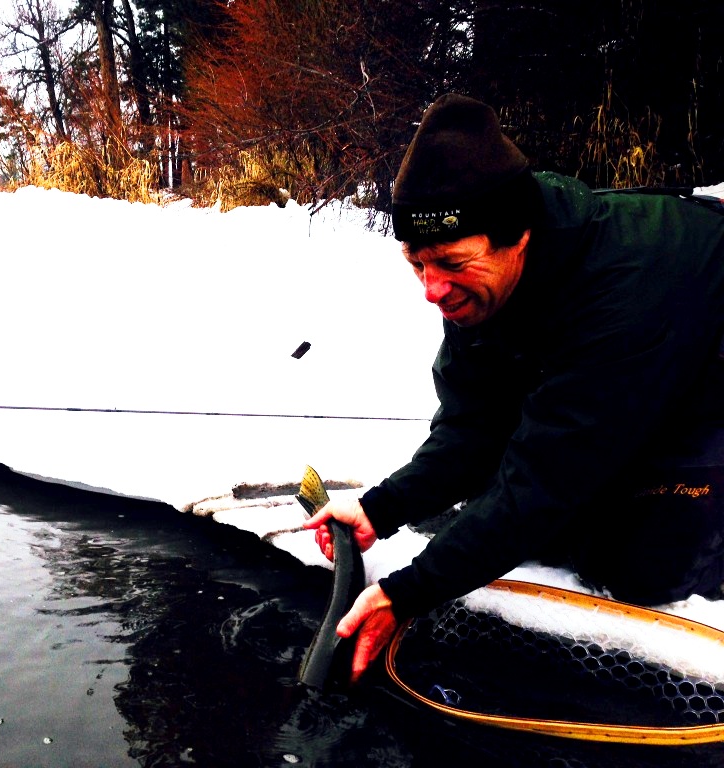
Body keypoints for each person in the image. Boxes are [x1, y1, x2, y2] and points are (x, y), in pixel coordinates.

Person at [303, 93, 724, 683]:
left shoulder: (624, 292)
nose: (431, 289)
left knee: (639, 567)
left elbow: (549, 477)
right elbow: (473, 429)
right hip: (633, 382)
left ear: (518, 237)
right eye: (417, 263)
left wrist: (407, 592)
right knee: (517, 508)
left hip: (702, 375)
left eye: (451, 263)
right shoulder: (480, 288)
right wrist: (381, 508)